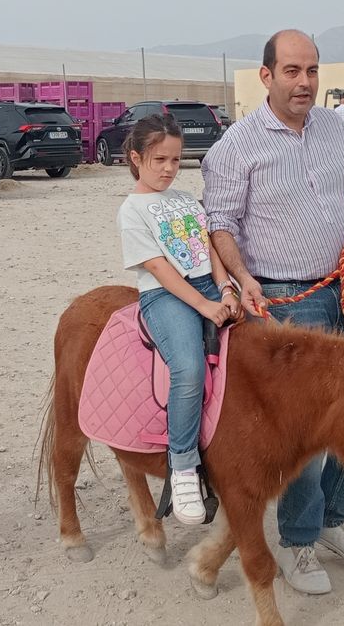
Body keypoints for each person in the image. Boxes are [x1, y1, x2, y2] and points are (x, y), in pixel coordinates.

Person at [203, 29, 344, 596]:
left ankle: (334, 520)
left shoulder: (336, 127)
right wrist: (245, 280)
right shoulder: (234, 147)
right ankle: (298, 540)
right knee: (302, 424)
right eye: (291, 71)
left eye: (311, 70)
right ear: (266, 76)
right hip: (284, 300)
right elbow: (220, 225)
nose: (304, 82)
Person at [117, 114, 240, 524]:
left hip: (209, 286)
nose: (169, 168)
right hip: (166, 297)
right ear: (137, 158)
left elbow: (209, 250)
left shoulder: (186, 200)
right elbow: (159, 268)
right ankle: (184, 464)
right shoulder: (133, 210)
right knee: (187, 368)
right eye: (159, 160)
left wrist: (225, 290)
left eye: (175, 159)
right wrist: (204, 306)